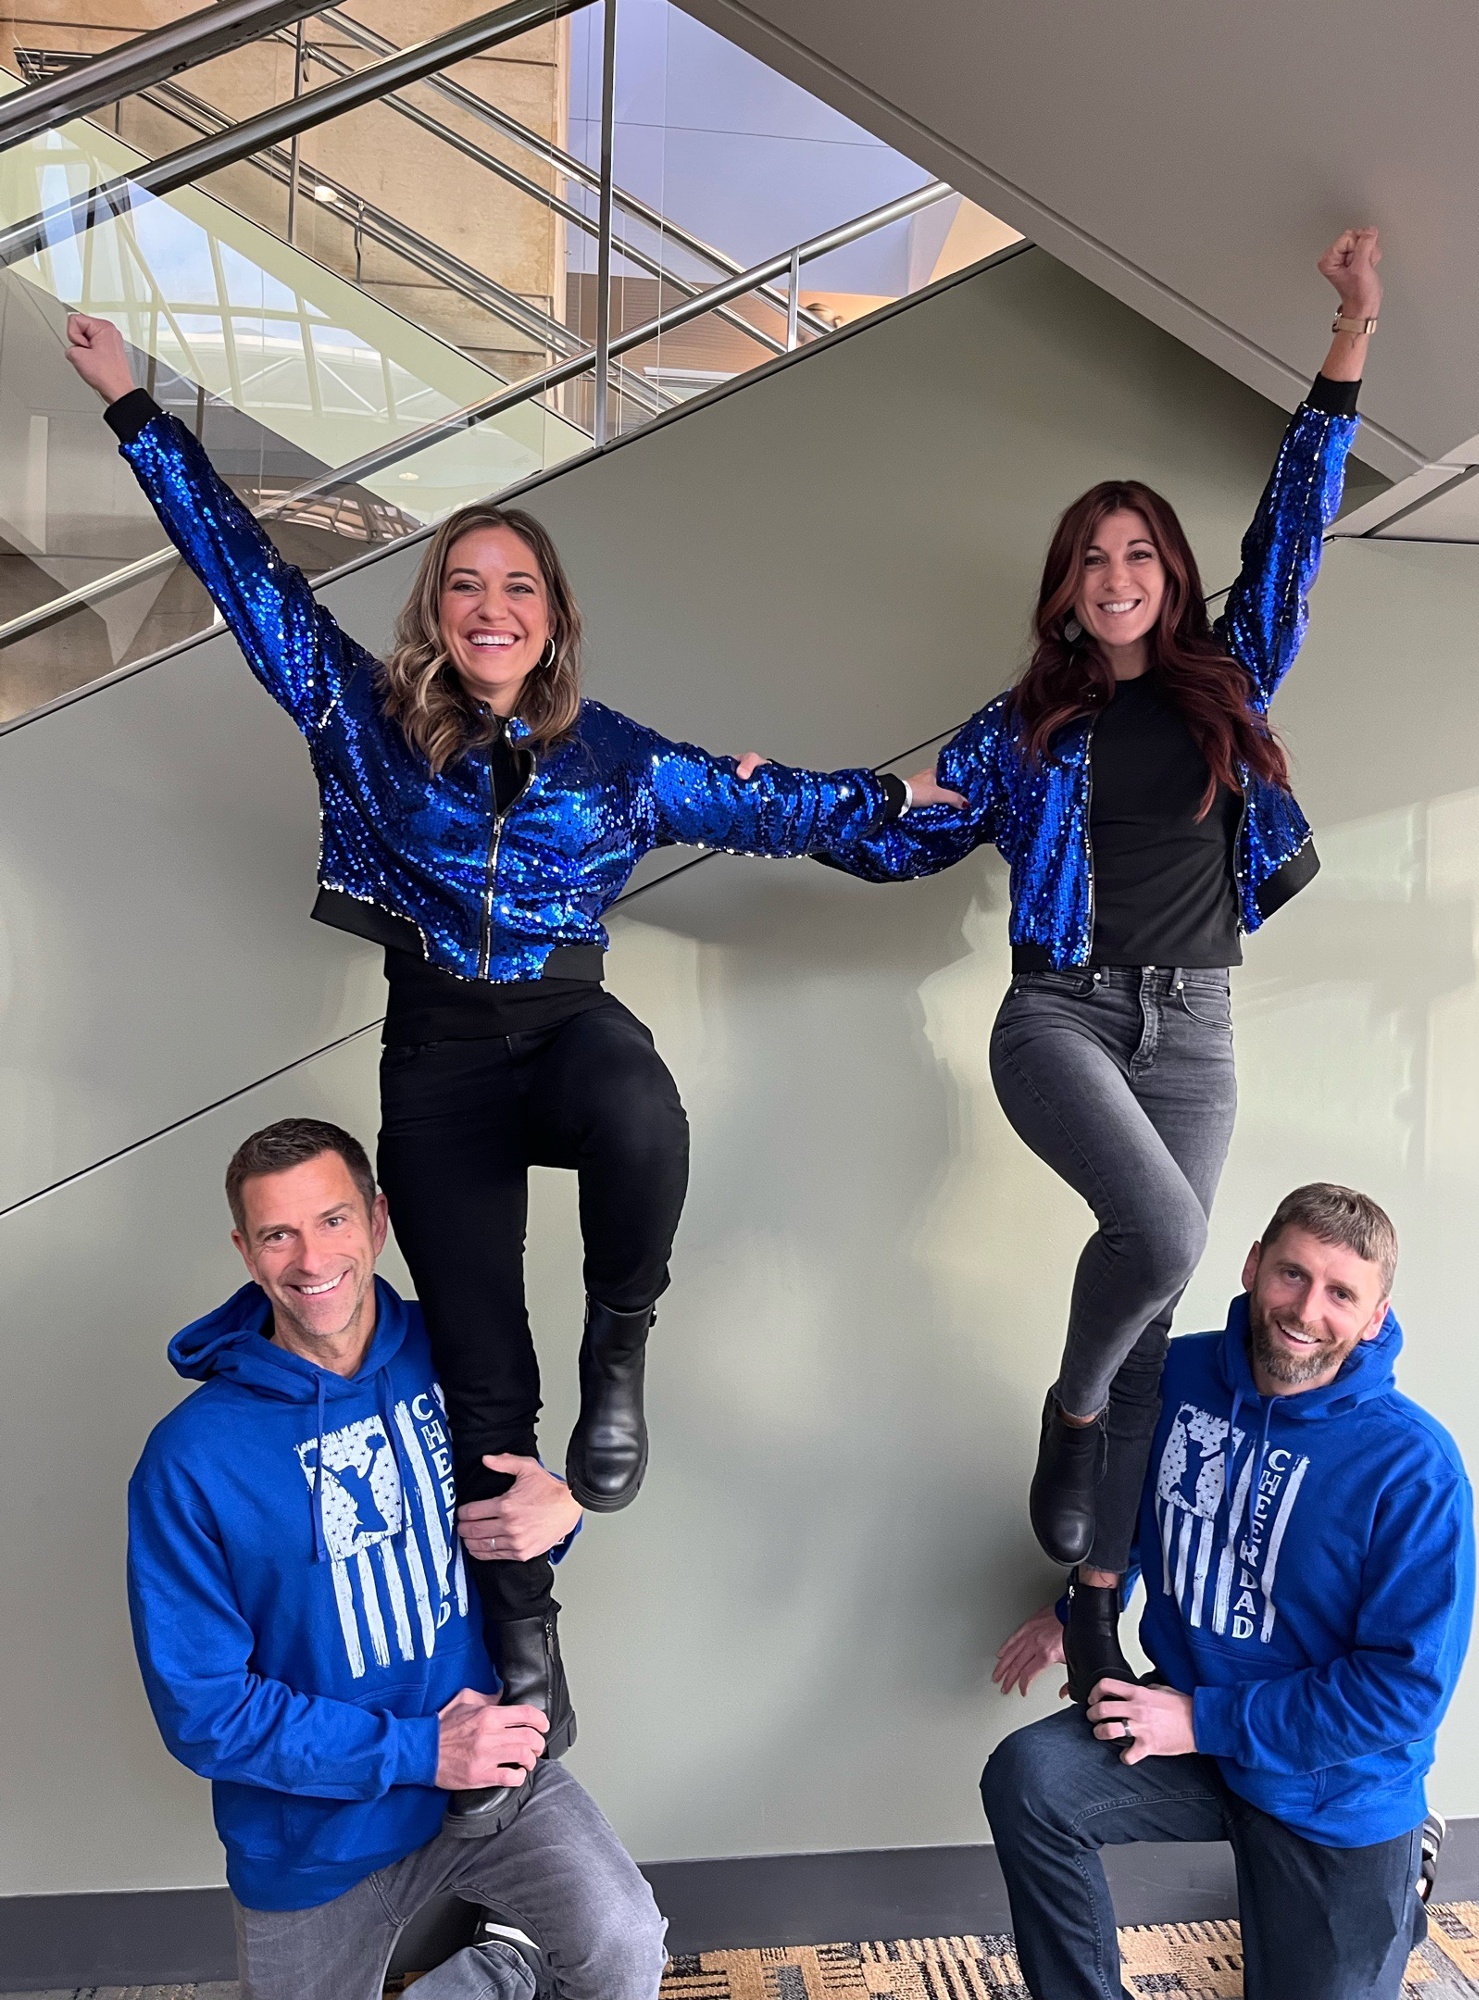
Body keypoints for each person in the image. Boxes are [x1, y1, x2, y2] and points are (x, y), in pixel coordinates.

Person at [67, 311, 962, 1830]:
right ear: (437, 613)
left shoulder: (614, 756)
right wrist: (134, 409)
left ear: (553, 620)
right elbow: (246, 578)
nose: (492, 606)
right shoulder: (362, 717)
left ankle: (623, 1350)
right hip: (437, 1059)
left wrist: (911, 800)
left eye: (518, 586)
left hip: (560, 1029)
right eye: (466, 585)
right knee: (482, 1366)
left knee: (640, 1105)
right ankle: (529, 1629)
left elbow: (782, 810)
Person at [785, 228, 1383, 1711]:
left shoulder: (1231, 676)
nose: (1116, 576)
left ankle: (1096, 1609)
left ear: (1169, 575)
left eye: (1139, 554)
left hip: (1197, 1022)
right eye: (1091, 560)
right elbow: (902, 828)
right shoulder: (1024, 728)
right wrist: (762, 794)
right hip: (1059, 1013)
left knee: (1160, 1304)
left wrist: (1349, 340)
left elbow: (1295, 528)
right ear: (1064, 589)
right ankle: (1069, 1408)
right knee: (1166, 1241)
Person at [127, 1117, 666, 2000]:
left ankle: (507, 1963)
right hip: (313, 1837)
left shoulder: (457, 1349)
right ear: (246, 1251)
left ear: (377, 1221)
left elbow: (518, 1523)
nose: (311, 1259)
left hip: (489, 1771)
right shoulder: (189, 1459)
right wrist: (421, 1750)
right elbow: (205, 1711)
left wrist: (566, 1502)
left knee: (623, 1945)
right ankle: (502, 1972)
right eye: (278, 1234)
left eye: (333, 1220)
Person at [984, 1183, 1474, 2000]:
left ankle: (1397, 1876)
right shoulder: (1177, 1375)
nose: (1306, 1311)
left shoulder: (1415, 1469)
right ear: (1252, 1266)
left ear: (1375, 1318)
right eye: (1292, 1274)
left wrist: (1200, 1719)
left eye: (1341, 1293)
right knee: (1031, 1780)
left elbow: (1404, 1693)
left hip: (1332, 1786)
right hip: (1198, 1737)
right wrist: (1074, 1615)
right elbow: (1136, 1510)